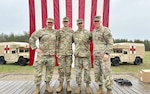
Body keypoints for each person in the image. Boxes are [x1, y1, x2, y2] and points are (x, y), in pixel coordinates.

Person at [29, 18, 57, 94]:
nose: (50, 24)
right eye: (48, 22)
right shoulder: (41, 31)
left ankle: (47, 86)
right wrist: (35, 48)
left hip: (51, 56)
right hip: (42, 55)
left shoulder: (56, 32)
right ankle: (37, 88)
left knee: (49, 72)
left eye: (51, 22)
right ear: (46, 23)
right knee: (38, 72)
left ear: (53, 23)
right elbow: (32, 38)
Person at [92, 16, 114, 94]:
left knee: (106, 73)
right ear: (93, 22)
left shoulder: (105, 30)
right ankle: (100, 88)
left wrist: (107, 53)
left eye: (98, 21)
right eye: (95, 21)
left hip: (104, 57)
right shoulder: (93, 31)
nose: (96, 22)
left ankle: (109, 90)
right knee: (97, 73)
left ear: (100, 21)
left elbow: (110, 43)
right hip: (96, 57)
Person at [73, 19, 92, 94]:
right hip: (78, 55)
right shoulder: (74, 34)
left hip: (86, 55)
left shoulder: (88, 33)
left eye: (81, 23)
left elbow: (94, 40)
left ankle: (87, 86)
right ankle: (78, 86)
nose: (80, 24)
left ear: (83, 23)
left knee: (87, 71)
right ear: (77, 24)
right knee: (78, 71)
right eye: (79, 23)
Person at [56, 17, 74, 93]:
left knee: (68, 69)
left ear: (69, 22)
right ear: (62, 22)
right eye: (64, 22)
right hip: (61, 53)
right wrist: (57, 51)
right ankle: (60, 84)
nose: (65, 23)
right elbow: (57, 42)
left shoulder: (71, 31)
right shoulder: (59, 31)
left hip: (69, 53)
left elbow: (73, 41)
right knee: (60, 69)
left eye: (67, 21)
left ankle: (68, 84)